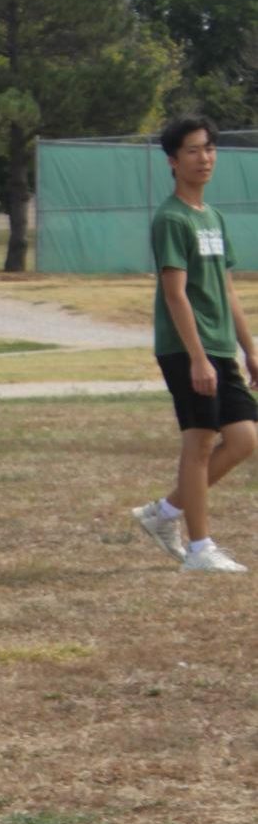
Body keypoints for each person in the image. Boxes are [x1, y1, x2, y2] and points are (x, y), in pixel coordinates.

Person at [132, 115, 258, 574]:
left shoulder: (214, 217)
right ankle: (200, 548)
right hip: (188, 348)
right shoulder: (171, 218)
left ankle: (164, 513)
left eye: (209, 148)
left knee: (244, 439)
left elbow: (227, 290)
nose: (204, 158)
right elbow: (174, 292)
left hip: (220, 347)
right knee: (200, 444)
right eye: (192, 150)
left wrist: (249, 348)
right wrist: (198, 357)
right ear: (172, 161)